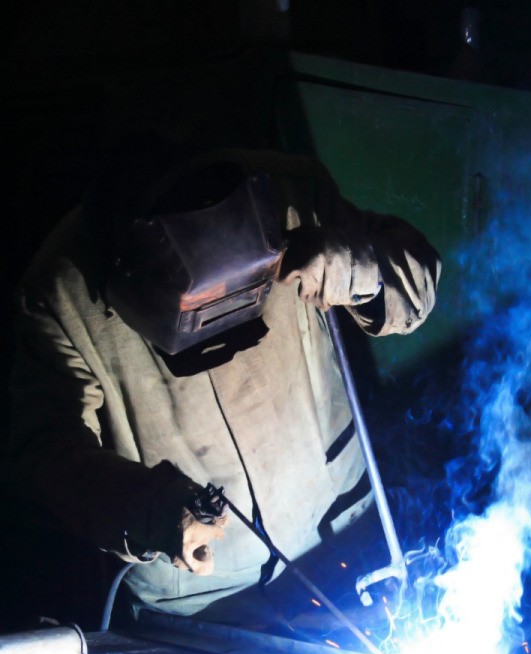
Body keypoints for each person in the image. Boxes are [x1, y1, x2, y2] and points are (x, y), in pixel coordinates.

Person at [8, 141, 440, 623]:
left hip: (336, 528)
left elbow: (417, 280)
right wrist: (146, 508)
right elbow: (43, 449)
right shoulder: (60, 293)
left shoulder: (293, 196)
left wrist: (361, 268)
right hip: (205, 595)